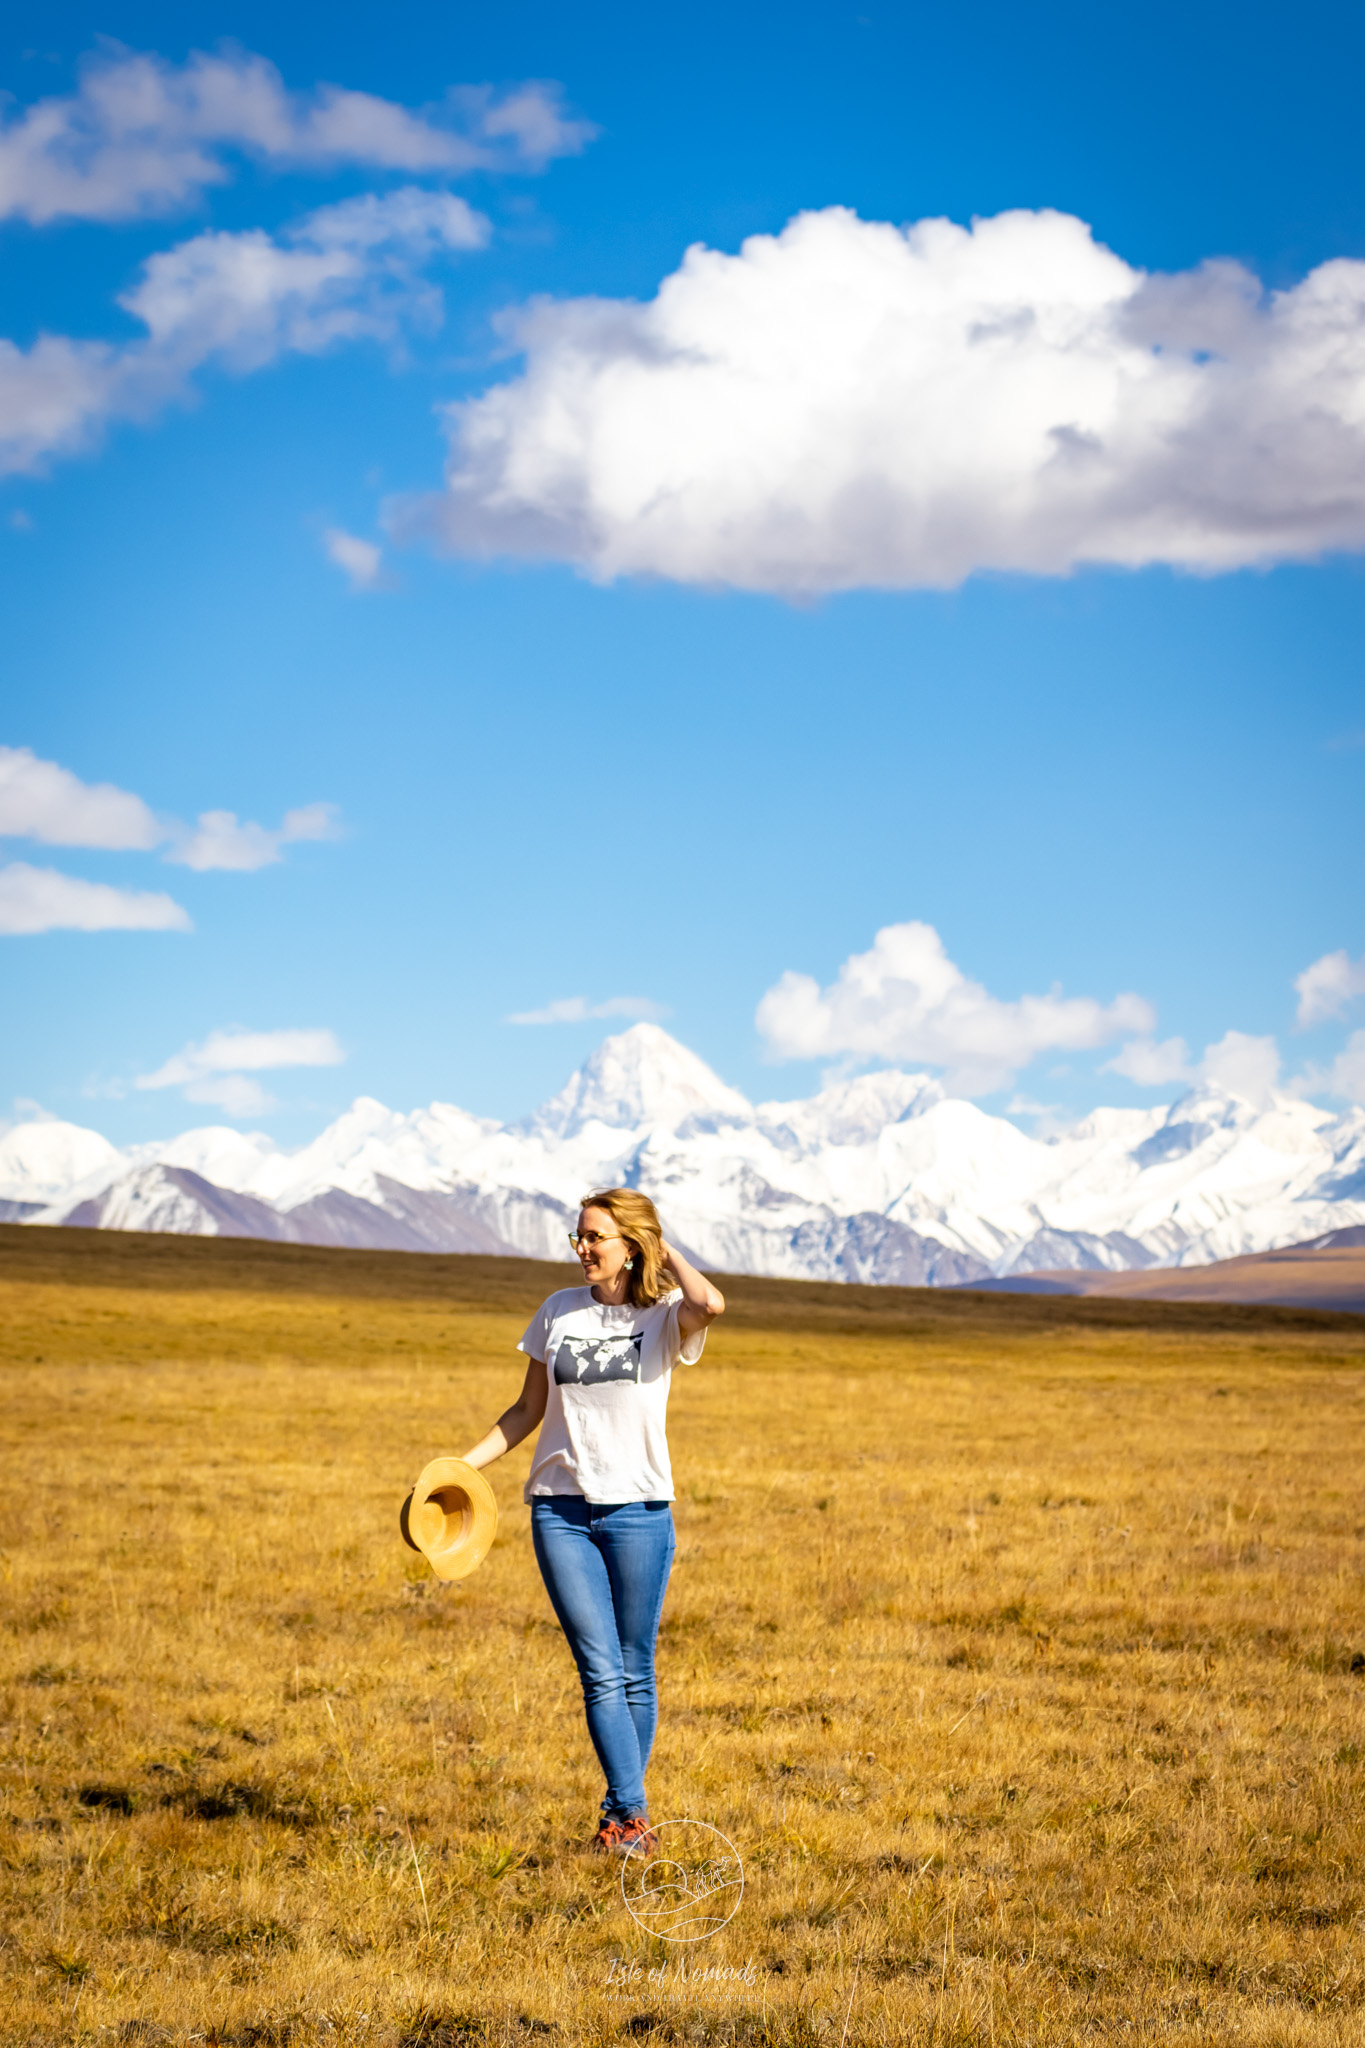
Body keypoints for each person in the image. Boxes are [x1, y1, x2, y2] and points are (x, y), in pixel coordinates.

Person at [459, 1186, 725, 1854]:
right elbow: (526, 1410)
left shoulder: (665, 1315)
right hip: (561, 1510)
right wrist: (457, 1467)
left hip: (639, 1509)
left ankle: (620, 1817)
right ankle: (630, 1815)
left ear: (631, 1244)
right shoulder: (557, 1310)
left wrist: (662, 1247)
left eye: (594, 1236)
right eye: (577, 1236)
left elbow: (711, 1304)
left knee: (635, 1668)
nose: (581, 1248)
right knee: (600, 1669)